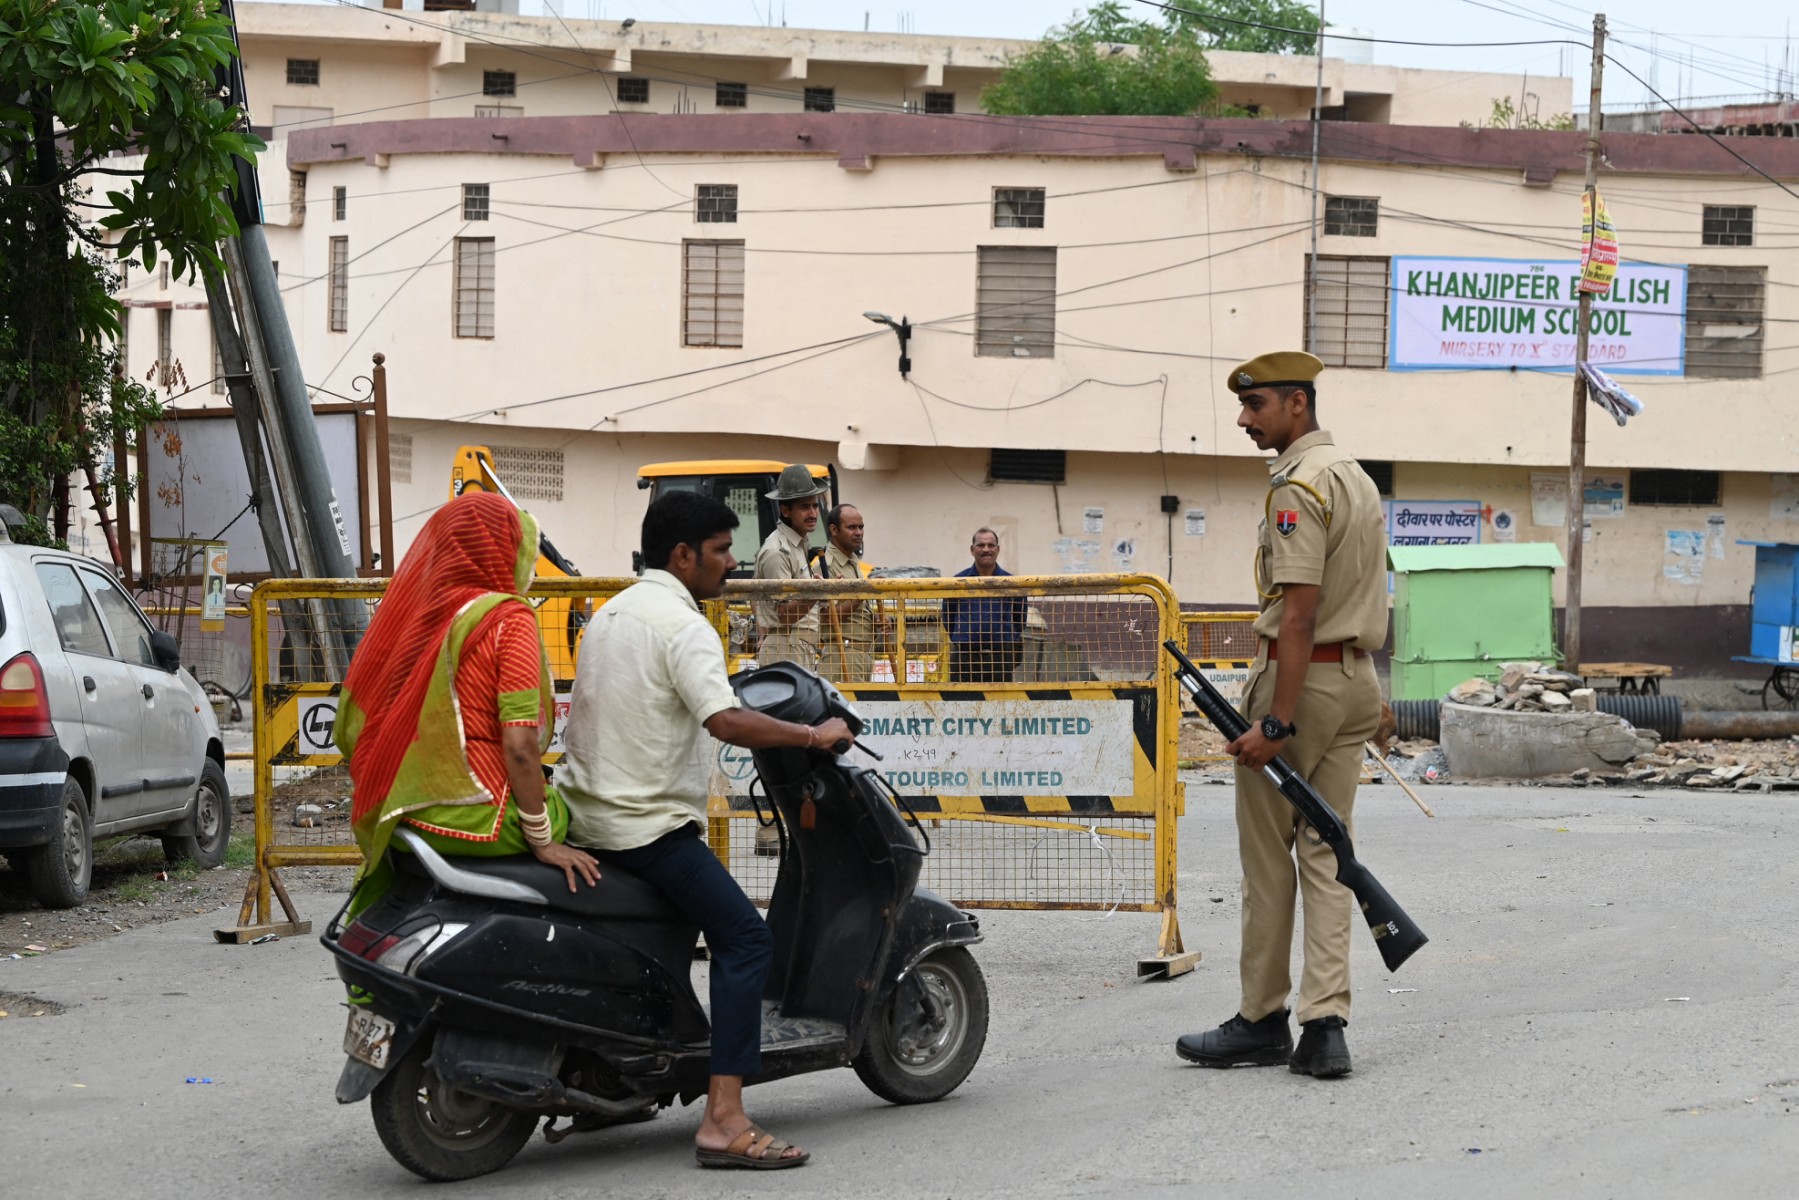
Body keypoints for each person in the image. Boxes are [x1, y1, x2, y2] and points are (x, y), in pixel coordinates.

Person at [557, 490, 851, 1170]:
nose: (730, 565)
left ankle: (623, 1079)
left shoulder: (612, 612)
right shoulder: (683, 625)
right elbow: (724, 720)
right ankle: (723, 1118)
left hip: (589, 815)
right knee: (745, 939)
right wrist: (813, 734)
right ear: (683, 554)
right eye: (720, 551)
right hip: (646, 827)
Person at [1174, 351, 1387, 1080]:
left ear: (1296, 404)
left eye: (1254, 405)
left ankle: (1261, 1019)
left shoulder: (1298, 484)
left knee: (1270, 863)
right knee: (1328, 853)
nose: (1242, 419)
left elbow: (1296, 617)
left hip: (1301, 685)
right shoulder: (1355, 477)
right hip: (1354, 679)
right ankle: (1324, 1027)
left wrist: (1276, 722)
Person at [335, 491, 601, 911]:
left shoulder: (423, 616)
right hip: (480, 815)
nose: (529, 562)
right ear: (502, 552)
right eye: (523, 548)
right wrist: (543, 838)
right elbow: (519, 747)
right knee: (582, 816)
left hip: (405, 810)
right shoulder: (508, 618)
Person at [752, 465, 826, 672]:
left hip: (797, 645)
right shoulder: (778, 551)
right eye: (804, 507)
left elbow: (756, 594)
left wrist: (814, 587)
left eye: (815, 505)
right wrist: (815, 592)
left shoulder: (797, 544)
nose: (813, 513)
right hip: (786, 648)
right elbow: (784, 615)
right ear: (785, 511)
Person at [943, 527, 1027, 684]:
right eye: (981, 545)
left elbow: (1020, 621)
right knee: (961, 704)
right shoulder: (957, 582)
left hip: (1001, 658)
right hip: (964, 658)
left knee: (1001, 704)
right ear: (972, 550)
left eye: (991, 545)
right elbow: (948, 618)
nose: (986, 549)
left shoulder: (1012, 583)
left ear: (998, 549)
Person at [815, 503, 884, 683]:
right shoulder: (825, 566)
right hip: (842, 654)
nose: (859, 532)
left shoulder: (853, 562)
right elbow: (827, 617)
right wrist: (863, 593)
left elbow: (857, 610)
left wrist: (877, 620)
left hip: (862, 653)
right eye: (851, 527)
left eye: (861, 527)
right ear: (834, 530)